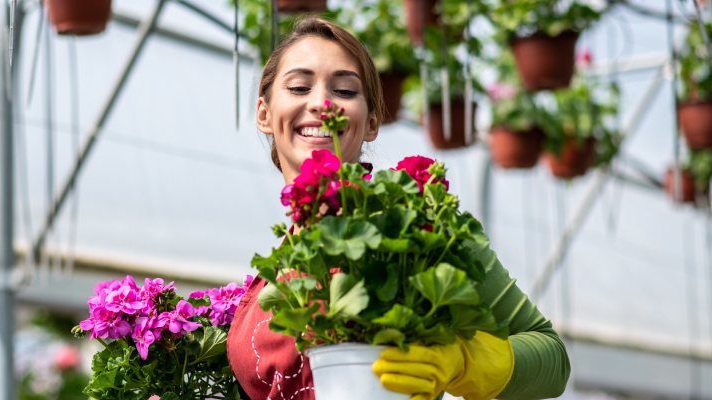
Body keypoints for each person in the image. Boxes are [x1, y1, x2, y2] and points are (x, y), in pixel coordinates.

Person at [226, 17, 570, 400]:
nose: (322, 103)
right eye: (298, 86)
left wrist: (463, 361)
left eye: (343, 90)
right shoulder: (269, 273)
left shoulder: (413, 224)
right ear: (264, 114)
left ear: (371, 122)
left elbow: (552, 359)